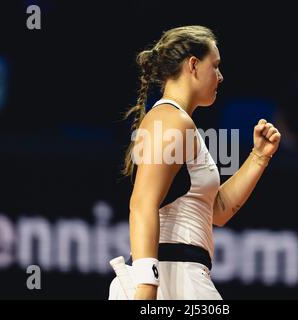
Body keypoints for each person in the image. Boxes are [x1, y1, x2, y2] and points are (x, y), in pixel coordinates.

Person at [109, 25, 281, 300]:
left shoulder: (178, 123)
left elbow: (218, 211)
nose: (221, 76)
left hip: (182, 277)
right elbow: (142, 203)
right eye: (215, 66)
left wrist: (259, 156)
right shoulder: (171, 119)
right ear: (193, 65)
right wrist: (146, 288)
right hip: (170, 279)